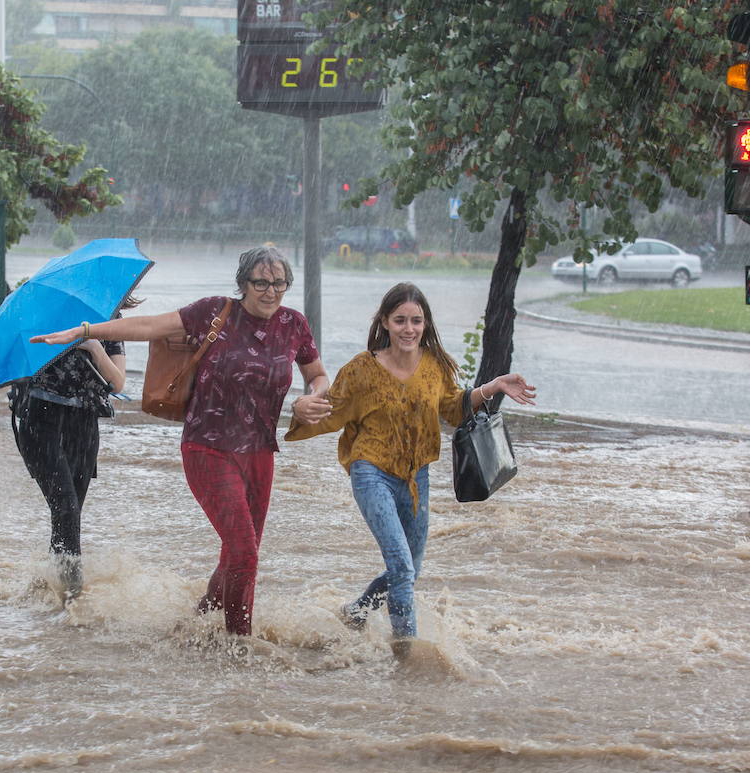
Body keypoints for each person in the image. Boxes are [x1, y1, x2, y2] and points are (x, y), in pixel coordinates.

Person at [30, 247, 332, 636]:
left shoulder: (294, 324)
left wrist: (312, 397)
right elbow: (150, 327)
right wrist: (87, 331)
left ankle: (199, 620)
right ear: (243, 283)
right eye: (261, 282)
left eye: (279, 283)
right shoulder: (214, 312)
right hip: (207, 448)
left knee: (238, 552)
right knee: (244, 552)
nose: (270, 291)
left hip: (259, 452)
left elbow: (318, 374)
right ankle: (238, 644)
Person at [284, 281, 536, 650]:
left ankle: (357, 612)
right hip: (370, 471)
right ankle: (408, 652)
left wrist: (493, 386)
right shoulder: (361, 369)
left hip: (417, 476)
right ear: (385, 322)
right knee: (402, 568)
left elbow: (452, 406)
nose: (409, 329)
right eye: (400, 320)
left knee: (410, 570)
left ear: (425, 324)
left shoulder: (435, 366)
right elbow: (330, 412)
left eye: (416, 321)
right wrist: (300, 408)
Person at [11, 296, 136, 604]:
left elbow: (118, 382)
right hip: (40, 418)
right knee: (65, 507)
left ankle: (51, 589)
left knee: (69, 514)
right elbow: (16, 366)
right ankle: (73, 600)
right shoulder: (43, 312)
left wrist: (93, 345)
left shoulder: (108, 320)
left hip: (84, 424)